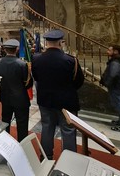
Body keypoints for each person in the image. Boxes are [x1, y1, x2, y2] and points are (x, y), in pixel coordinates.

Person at [32, 29, 84, 160]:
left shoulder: (37, 59)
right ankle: (68, 159)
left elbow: (36, 78)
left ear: (46, 42)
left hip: (46, 100)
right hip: (67, 101)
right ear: (61, 42)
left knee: (47, 127)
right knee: (68, 130)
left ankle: (45, 156)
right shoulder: (71, 60)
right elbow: (78, 81)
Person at [0, 39, 32, 142]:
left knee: (5, 121)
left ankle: (6, 144)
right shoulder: (22, 64)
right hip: (21, 98)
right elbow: (28, 83)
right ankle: (22, 144)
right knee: (22, 123)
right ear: (16, 49)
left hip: (5, 97)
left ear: (5, 49)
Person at [100, 44, 120, 133]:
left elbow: (113, 74)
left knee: (119, 104)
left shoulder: (116, 62)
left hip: (116, 86)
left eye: (109, 50)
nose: (107, 52)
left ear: (115, 52)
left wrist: (107, 82)